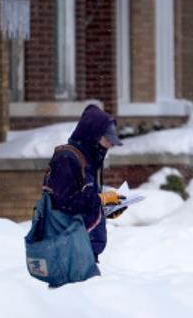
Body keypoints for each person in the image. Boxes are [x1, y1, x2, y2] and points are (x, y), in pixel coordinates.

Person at [43, 104, 124, 266]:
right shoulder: (68, 160)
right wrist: (99, 200)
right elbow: (63, 203)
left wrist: (109, 207)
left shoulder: (91, 163)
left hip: (86, 251)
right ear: (92, 136)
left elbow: (86, 204)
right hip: (69, 252)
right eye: (107, 139)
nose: (110, 145)